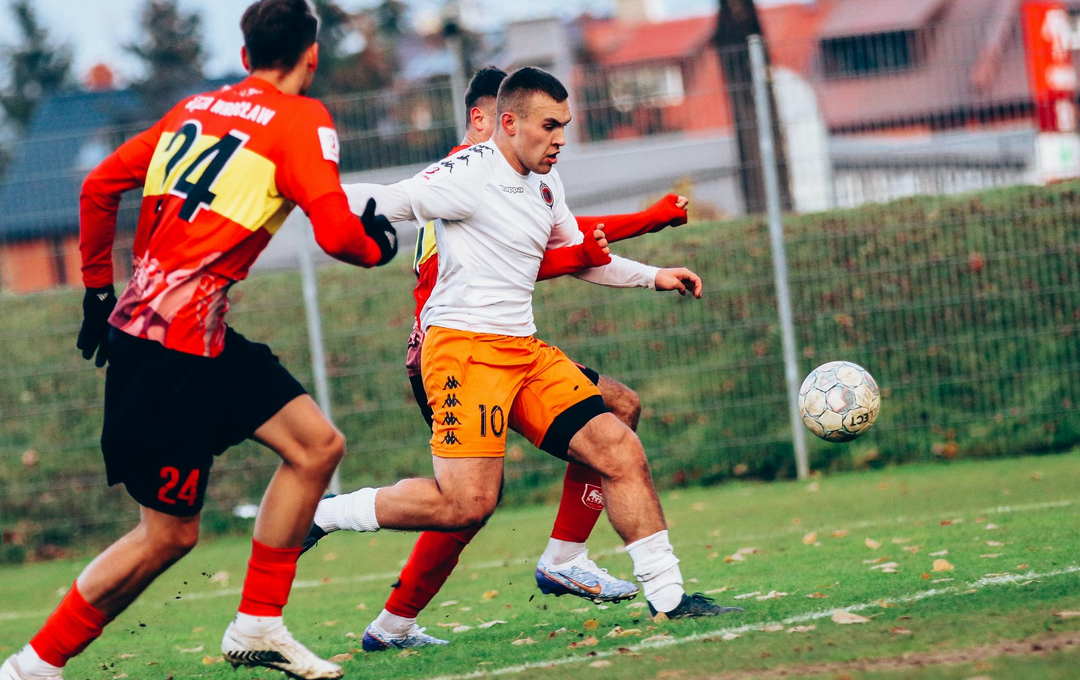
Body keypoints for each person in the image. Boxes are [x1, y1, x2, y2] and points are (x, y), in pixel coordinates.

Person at [0, 2, 396, 679]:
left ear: (244, 56)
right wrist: (377, 246)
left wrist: (97, 292)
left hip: (184, 334)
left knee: (316, 446)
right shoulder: (301, 118)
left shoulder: (195, 108)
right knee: (168, 535)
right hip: (172, 350)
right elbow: (338, 236)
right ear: (312, 55)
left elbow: (98, 186)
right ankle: (32, 666)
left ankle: (258, 624)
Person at [310, 66, 744, 645]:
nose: (561, 138)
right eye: (549, 126)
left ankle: (669, 598)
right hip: (464, 354)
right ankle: (327, 514)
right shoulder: (468, 171)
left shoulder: (545, 182)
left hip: (523, 350)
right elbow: (392, 198)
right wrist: (311, 197)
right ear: (508, 123)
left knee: (618, 441)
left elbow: (577, 251)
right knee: (466, 505)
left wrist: (653, 275)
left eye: (565, 125)